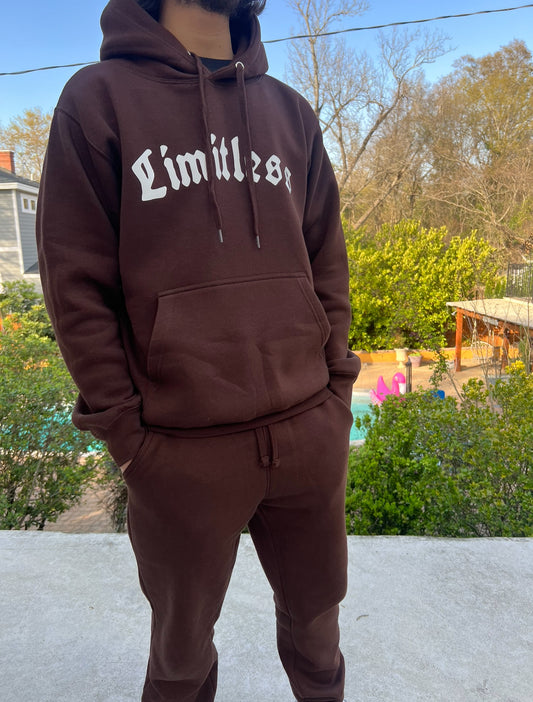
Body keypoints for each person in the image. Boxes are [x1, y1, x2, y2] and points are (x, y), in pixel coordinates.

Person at [37, 0, 360, 699]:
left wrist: (336, 394)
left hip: (308, 432)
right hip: (179, 454)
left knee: (318, 632)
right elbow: (75, 288)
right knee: (180, 659)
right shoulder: (96, 102)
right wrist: (130, 439)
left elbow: (327, 264)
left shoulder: (291, 111)